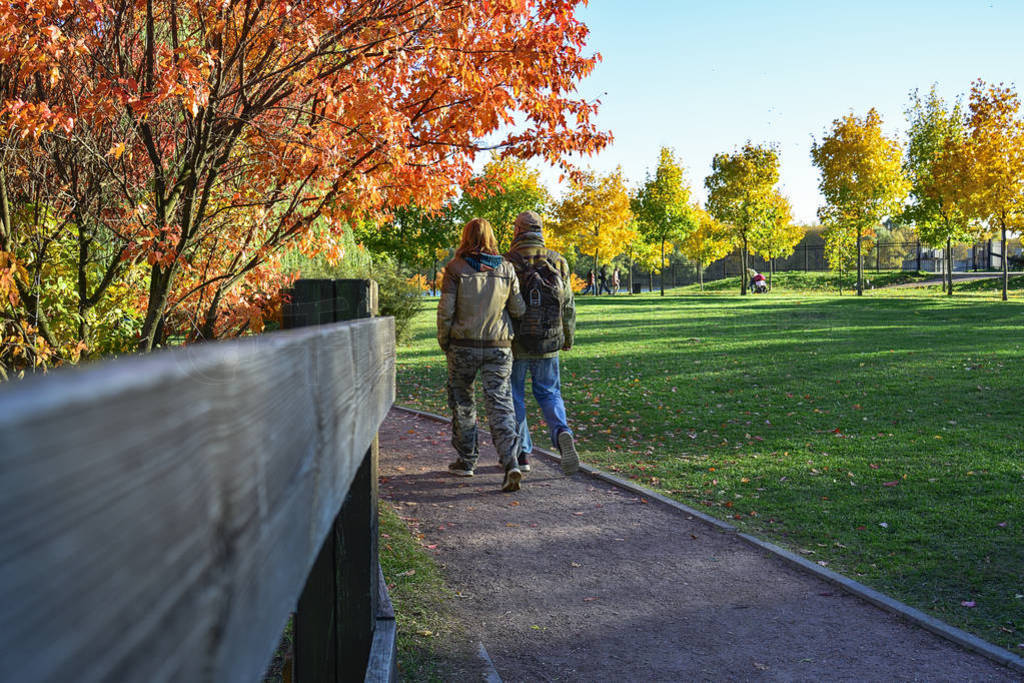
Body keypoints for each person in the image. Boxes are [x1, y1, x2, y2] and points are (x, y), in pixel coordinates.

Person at [436, 218, 526, 492]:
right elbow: (519, 309)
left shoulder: (455, 269)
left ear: (465, 237)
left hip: (463, 346)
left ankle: (467, 461)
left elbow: (446, 312)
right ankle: (510, 462)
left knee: (463, 401)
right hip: (498, 346)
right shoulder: (507, 269)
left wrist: (445, 341)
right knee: (500, 403)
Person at [504, 210, 579, 476]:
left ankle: (523, 453)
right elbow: (567, 304)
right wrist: (568, 337)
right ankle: (561, 433)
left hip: (516, 342)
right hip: (549, 340)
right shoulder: (558, 261)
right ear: (540, 229)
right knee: (549, 392)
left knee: (515, 397)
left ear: (517, 230)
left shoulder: (506, 262)